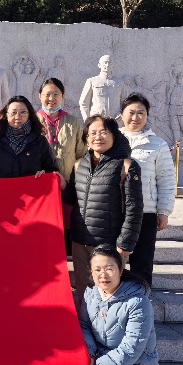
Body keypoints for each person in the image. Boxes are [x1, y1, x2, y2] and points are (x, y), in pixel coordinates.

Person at [67, 244, 157, 365]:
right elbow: (84, 326)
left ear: (120, 270)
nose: (103, 275)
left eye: (109, 268)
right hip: (100, 358)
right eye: (97, 269)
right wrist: (89, 356)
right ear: (91, 272)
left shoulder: (138, 303)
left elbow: (131, 348)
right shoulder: (91, 294)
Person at [71, 115, 143, 303]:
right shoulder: (79, 165)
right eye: (92, 133)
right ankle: (84, 322)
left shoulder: (126, 165)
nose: (98, 137)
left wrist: (125, 244)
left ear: (114, 135)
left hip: (109, 243)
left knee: (109, 294)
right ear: (86, 138)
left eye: (103, 132)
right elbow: (70, 200)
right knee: (83, 293)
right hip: (80, 243)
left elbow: (134, 209)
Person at [120, 93, 176, 285]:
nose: (135, 118)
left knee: (142, 260)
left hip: (146, 211)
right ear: (122, 114)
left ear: (147, 116)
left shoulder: (157, 144)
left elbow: (166, 179)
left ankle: (141, 296)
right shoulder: (112, 140)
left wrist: (164, 211)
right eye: (131, 112)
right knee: (113, 259)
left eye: (141, 113)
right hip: (116, 209)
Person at [39, 78, 87, 252]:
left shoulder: (73, 122)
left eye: (56, 94)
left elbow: (82, 154)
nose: (51, 98)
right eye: (47, 94)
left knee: (65, 231)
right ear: (40, 96)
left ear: (63, 96)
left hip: (66, 187)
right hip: (40, 188)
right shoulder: (32, 121)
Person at [0, 96, 63, 183]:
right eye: (13, 112)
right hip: (3, 191)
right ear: (6, 115)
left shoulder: (40, 142)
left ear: (29, 114)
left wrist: (45, 174)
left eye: (23, 112)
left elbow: (52, 171)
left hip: (33, 190)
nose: (18, 116)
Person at [79, 55, 123, 120]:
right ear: (99, 65)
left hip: (116, 120)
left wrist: (122, 115)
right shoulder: (92, 81)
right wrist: (87, 120)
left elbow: (125, 101)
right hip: (97, 119)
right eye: (105, 62)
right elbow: (84, 102)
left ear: (113, 65)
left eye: (110, 63)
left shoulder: (119, 82)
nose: (107, 65)